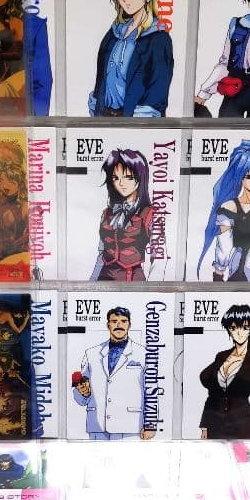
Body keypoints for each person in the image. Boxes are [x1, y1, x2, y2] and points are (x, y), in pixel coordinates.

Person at [89, 0, 174, 117]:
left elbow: (158, 92)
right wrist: (96, 110)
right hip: (104, 116)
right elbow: (101, 78)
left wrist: (137, 123)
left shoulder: (159, 38)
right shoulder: (114, 32)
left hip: (135, 121)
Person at [196, 139, 250, 282]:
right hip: (240, 267)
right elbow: (224, 245)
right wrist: (219, 272)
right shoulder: (230, 207)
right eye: (249, 176)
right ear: (240, 177)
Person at [71, 307, 155, 440]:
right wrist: (83, 393)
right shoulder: (91, 353)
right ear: (108, 325)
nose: (119, 325)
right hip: (97, 426)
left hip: (130, 426)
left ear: (129, 325)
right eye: (114, 321)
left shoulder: (143, 354)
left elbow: (151, 391)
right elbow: (79, 391)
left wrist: (150, 424)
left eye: (123, 321)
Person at [198, 304, 250, 440]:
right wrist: (205, 425)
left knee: (242, 454)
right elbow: (211, 392)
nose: (239, 333)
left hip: (242, 424)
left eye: (245, 327)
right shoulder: (221, 356)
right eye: (233, 328)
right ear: (228, 329)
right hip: (215, 424)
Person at [89, 148, 156, 281]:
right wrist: (92, 283)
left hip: (132, 280)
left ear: (140, 177)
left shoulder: (149, 214)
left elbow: (158, 258)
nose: (121, 183)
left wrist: (152, 288)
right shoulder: (106, 214)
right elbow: (101, 254)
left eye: (128, 177)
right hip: (104, 279)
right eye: (116, 178)